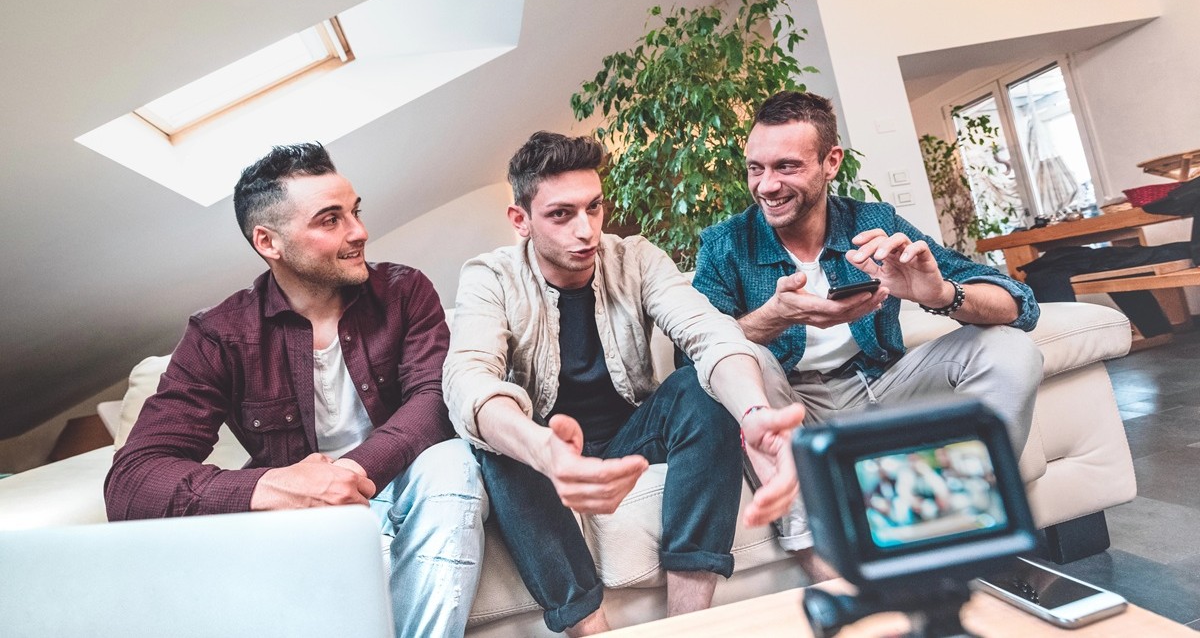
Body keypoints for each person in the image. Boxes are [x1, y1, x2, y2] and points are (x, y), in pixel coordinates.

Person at [104, 143, 486, 637]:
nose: (359, 232)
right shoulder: (220, 335)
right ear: (269, 242)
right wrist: (275, 487)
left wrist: (348, 473)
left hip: (408, 482)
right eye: (330, 220)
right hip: (301, 518)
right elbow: (132, 482)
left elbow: (434, 400)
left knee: (453, 459)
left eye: (355, 212)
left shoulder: (404, 291)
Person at [443, 131, 805, 636]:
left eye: (593, 207)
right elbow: (469, 378)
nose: (586, 230)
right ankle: (592, 628)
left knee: (700, 388)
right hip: (550, 451)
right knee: (499, 441)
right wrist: (543, 450)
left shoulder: (635, 258)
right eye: (561, 214)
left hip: (632, 437)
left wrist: (754, 413)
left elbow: (709, 333)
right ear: (520, 220)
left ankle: (688, 625)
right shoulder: (490, 276)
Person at [693, 90, 1043, 564]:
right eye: (756, 168)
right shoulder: (724, 244)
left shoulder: (874, 222)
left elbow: (1019, 303)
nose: (767, 185)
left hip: (879, 386)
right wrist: (776, 315)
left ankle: (959, 518)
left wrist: (940, 294)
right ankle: (818, 553)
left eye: (787, 167)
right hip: (790, 404)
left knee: (1009, 348)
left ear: (830, 162)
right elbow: (697, 355)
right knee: (744, 356)